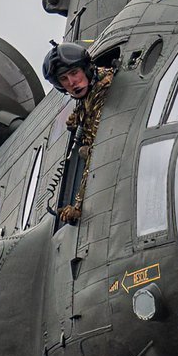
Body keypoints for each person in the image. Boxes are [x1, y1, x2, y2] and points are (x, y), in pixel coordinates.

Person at [42, 41, 115, 224]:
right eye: (64, 79)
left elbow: (96, 156)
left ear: (87, 70)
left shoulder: (103, 91)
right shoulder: (89, 95)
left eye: (74, 73)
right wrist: (78, 116)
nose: (72, 83)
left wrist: (78, 206)